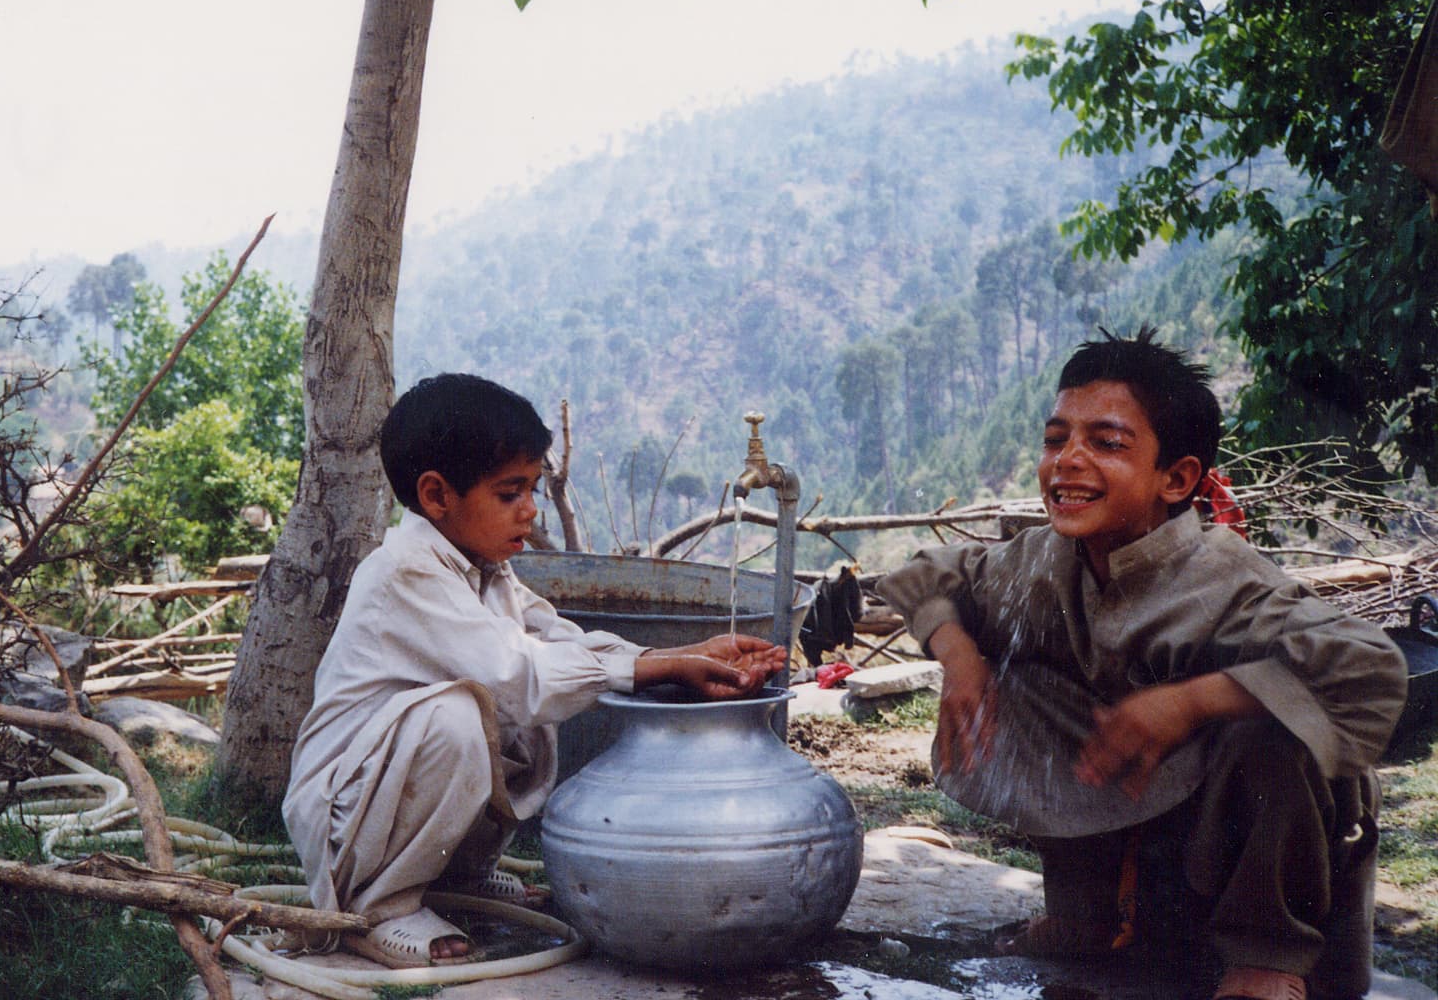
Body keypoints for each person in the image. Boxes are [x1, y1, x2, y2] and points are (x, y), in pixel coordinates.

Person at [876, 327, 1407, 1000]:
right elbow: (932, 573)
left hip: (1265, 882)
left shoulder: (1226, 578)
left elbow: (1368, 669)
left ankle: (1265, 960)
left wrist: (1193, 701)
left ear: (1177, 478)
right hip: (1151, 870)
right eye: (1055, 438)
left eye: (1106, 443)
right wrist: (959, 656)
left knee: (1275, 726)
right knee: (1023, 677)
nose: (1066, 461)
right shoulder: (1043, 561)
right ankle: (1086, 917)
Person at [283, 372, 785, 969]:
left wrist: (675, 657)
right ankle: (376, 908)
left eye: (533, 490)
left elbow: (561, 644)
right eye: (509, 493)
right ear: (437, 496)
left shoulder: (484, 567)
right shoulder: (406, 571)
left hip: (387, 797)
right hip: (349, 816)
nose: (529, 511)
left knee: (524, 705)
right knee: (462, 715)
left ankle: (460, 877)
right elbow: (521, 678)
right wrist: (665, 665)